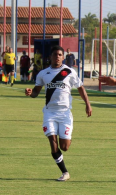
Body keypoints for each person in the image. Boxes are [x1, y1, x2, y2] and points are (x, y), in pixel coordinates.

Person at [24, 45, 92, 182]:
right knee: (53, 144)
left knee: (64, 147)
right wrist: (31, 93)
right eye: (55, 54)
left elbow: (81, 88)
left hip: (65, 113)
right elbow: (36, 91)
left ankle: (67, 137)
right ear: (51, 57)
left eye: (60, 55)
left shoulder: (69, 72)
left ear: (63, 57)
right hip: (49, 113)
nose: (57, 57)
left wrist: (87, 104)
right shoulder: (43, 73)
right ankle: (65, 172)